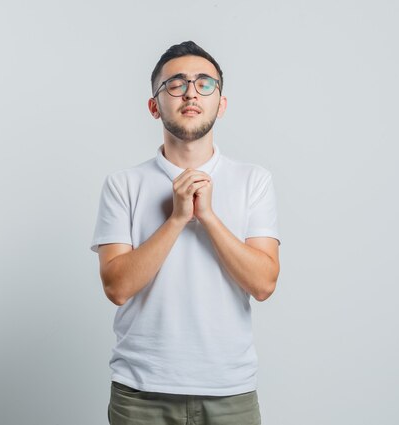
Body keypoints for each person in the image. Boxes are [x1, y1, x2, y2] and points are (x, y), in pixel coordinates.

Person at [90, 40, 281, 425]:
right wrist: (177, 219)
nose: (191, 91)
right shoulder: (122, 185)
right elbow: (117, 287)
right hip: (141, 394)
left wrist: (207, 217)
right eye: (175, 84)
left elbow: (263, 283)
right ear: (154, 105)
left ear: (221, 104)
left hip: (231, 391)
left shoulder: (253, 180)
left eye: (204, 83)